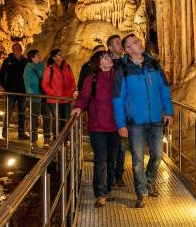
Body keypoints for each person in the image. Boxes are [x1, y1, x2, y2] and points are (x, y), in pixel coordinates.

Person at [113, 34, 173, 208]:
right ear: (128, 50)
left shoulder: (154, 64)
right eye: (134, 43)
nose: (139, 43)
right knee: (138, 160)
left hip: (156, 120)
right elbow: (118, 99)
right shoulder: (123, 69)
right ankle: (142, 192)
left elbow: (164, 89)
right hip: (135, 122)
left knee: (157, 155)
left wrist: (168, 111)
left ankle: (150, 180)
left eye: (138, 40)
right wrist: (121, 123)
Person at [72, 50, 120, 208]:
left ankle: (109, 186)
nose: (109, 58)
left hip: (115, 125)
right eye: (105, 57)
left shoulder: (118, 77)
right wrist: (78, 107)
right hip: (98, 126)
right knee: (101, 159)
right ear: (99, 63)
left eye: (108, 56)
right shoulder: (92, 79)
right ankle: (100, 193)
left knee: (112, 158)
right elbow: (84, 96)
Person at [107, 34, 128, 186]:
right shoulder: (104, 62)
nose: (120, 45)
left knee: (121, 144)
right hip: (108, 109)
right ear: (110, 47)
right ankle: (109, 174)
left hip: (123, 109)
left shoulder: (127, 62)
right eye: (117, 43)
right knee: (109, 144)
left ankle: (118, 174)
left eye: (121, 43)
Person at [42, 48, 76, 137]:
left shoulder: (67, 67)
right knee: (57, 119)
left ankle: (65, 138)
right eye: (59, 54)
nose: (62, 56)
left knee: (67, 119)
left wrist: (71, 91)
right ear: (53, 58)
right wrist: (55, 95)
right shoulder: (50, 69)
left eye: (62, 54)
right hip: (54, 100)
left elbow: (72, 80)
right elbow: (45, 85)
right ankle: (56, 138)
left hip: (66, 99)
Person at [0, 43, 29, 139]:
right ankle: (4, 131)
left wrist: (26, 87)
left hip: (22, 91)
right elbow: (1, 75)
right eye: (16, 48)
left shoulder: (25, 61)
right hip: (11, 91)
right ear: (13, 50)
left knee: (22, 113)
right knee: (9, 111)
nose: (18, 49)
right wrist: (5, 87)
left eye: (20, 48)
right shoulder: (8, 61)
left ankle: (21, 133)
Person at [24, 49, 47, 143]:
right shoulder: (28, 69)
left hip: (44, 96)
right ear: (32, 58)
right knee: (34, 117)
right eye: (37, 55)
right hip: (35, 97)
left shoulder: (42, 66)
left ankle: (47, 137)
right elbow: (27, 84)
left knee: (47, 116)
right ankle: (34, 137)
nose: (39, 56)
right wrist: (33, 94)